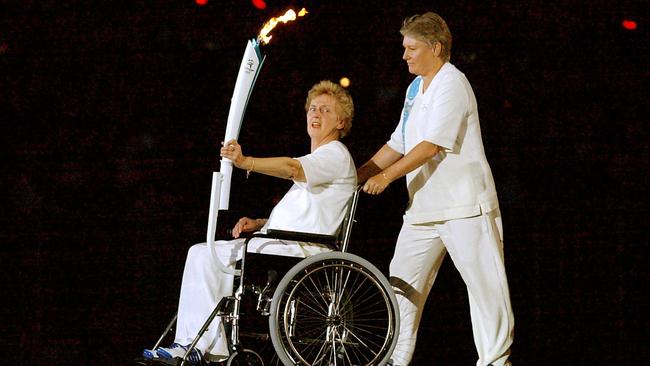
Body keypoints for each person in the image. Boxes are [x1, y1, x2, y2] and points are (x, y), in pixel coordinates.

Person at [142, 80, 357, 364]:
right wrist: (260, 222)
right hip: (279, 243)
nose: (316, 114)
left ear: (341, 121)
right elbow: (309, 213)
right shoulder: (320, 158)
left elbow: (292, 168)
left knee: (204, 253)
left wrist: (246, 162)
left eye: (326, 110)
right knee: (204, 253)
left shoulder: (335, 155)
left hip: (298, 253)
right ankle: (196, 344)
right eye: (313, 108)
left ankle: (199, 347)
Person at [356, 12, 514, 366]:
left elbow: (431, 145)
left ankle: (495, 361)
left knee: (485, 289)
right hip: (423, 209)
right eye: (404, 47)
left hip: (465, 207)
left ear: (436, 47)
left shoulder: (453, 83)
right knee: (401, 286)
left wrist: (386, 177)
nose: (405, 55)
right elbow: (398, 142)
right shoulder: (415, 88)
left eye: (411, 48)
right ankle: (395, 360)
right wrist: (359, 173)